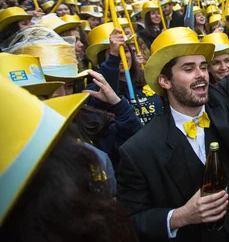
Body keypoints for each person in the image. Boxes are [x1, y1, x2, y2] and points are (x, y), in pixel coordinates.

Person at [117, 0, 229, 241]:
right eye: (188, 69)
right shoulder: (138, 150)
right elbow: (130, 222)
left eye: (203, 67)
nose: (201, 75)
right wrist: (181, 216)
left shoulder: (219, 99)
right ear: (165, 80)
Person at [0, 76, 137, 242]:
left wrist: (120, 106)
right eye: (40, 93)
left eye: (69, 86)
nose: (60, 94)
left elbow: (136, 149)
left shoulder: (95, 131)